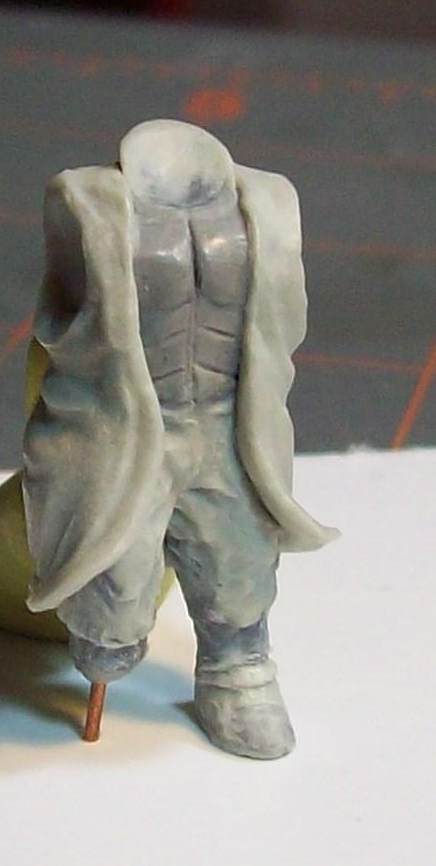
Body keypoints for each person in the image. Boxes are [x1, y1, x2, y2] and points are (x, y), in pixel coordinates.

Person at [22, 119, 339, 759]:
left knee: (240, 558)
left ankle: (238, 672)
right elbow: (60, 322)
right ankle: (104, 648)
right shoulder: (85, 201)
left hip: (229, 422)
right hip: (125, 426)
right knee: (110, 582)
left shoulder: (270, 201)